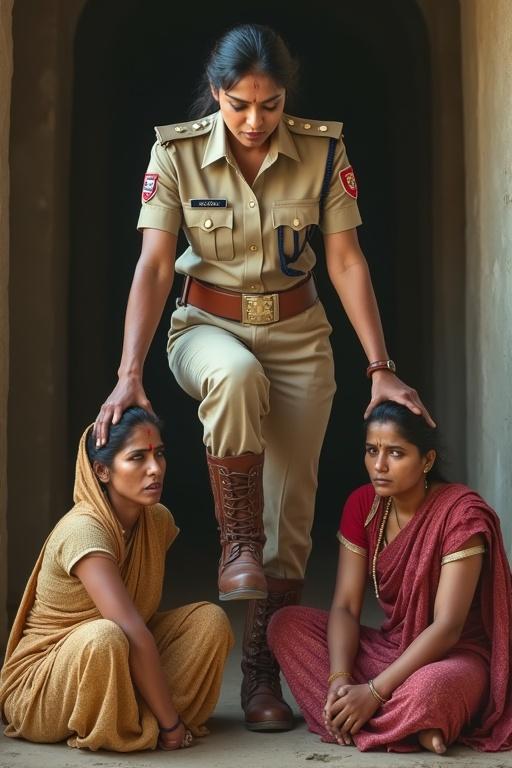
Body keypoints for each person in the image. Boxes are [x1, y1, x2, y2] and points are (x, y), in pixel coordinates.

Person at [93, 23, 434, 731]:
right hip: (204, 330)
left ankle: (259, 673)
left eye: (270, 104)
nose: (254, 121)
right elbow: (155, 265)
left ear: (287, 96)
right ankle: (236, 542)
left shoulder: (322, 151)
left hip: (299, 332)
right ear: (216, 94)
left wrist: (380, 368)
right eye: (239, 104)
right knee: (237, 376)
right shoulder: (177, 152)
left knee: (296, 517)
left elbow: (344, 260)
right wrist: (129, 372)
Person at [267, 401, 512, 753]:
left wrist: (373, 692)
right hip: (392, 649)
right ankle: (406, 727)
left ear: (427, 460)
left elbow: (447, 628)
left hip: (454, 657)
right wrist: (340, 678)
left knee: (431, 690)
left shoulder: (460, 514)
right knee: (285, 625)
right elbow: (347, 607)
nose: (379, 466)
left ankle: (372, 720)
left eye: (396, 453)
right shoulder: (363, 505)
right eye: (372, 451)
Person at [0, 407, 234, 752]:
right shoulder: (84, 531)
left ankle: (130, 716)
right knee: (106, 636)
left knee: (209, 621)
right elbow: (130, 630)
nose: (155, 468)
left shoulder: (157, 521)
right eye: (137, 458)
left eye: (159, 454)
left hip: (114, 660)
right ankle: (153, 721)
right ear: (102, 470)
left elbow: (141, 623)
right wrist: (171, 724)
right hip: (43, 685)